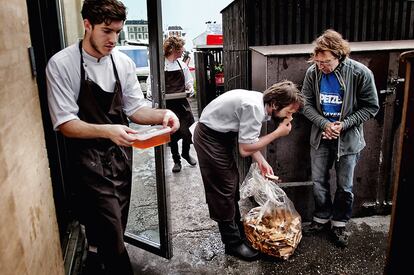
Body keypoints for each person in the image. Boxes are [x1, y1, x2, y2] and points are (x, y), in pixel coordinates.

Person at [45, 0, 179, 274]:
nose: (113, 39)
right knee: (113, 234)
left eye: (117, 31)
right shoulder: (61, 64)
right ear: (87, 25)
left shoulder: (123, 62)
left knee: (115, 223)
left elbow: (135, 109)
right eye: (107, 30)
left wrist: (164, 114)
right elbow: (65, 123)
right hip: (87, 161)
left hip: (120, 158)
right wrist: (109, 131)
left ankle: (96, 254)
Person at [193, 80, 304, 261]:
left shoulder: (260, 103)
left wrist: (261, 160)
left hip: (220, 137)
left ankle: (237, 231)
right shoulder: (254, 108)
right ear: (275, 104)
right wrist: (277, 133)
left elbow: (248, 139)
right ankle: (232, 243)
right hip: (210, 138)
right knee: (223, 189)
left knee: (231, 183)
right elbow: (245, 149)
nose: (289, 118)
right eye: (289, 112)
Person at [301, 29, 379, 248]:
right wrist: (324, 124)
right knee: (318, 181)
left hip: (349, 138)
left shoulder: (360, 73)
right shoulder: (312, 73)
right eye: (317, 61)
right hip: (320, 136)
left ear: (339, 55)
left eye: (325, 62)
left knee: (345, 185)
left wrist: (343, 125)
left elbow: (371, 107)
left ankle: (339, 223)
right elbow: (305, 104)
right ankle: (321, 219)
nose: (321, 66)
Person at [162, 36, 197, 173]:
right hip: (168, 105)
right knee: (172, 135)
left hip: (182, 103)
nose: (182, 52)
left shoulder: (181, 65)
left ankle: (186, 153)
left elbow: (189, 82)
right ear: (172, 49)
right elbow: (151, 84)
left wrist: (190, 89)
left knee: (188, 131)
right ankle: (176, 160)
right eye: (180, 49)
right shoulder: (160, 65)